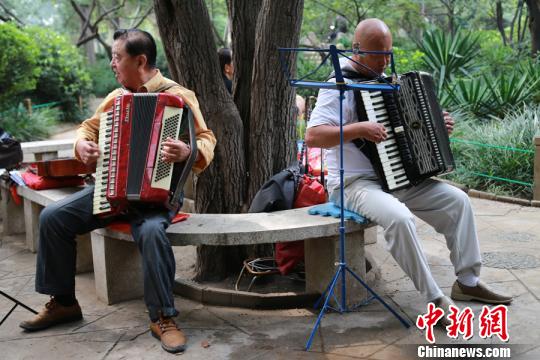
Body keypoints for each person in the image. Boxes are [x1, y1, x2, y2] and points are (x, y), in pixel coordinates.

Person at [19, 29, 217, 354]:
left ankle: (163, 317)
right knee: (54, 218)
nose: (112, 63)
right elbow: (89, 127)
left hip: (158, 197)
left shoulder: (179, 96)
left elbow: (206, 137)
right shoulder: (116, 97)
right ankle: (65, 302)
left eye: (117, 56)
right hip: (111, 191)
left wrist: (188, 151)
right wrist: (81, 144)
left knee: (152, 233)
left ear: (140, 61)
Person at [305, 18, 512, 324]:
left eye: (387, 54)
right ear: (356, 50)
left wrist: (438, 126)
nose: (383, 61)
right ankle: (435, 299)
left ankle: (467, 283)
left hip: (396, 178)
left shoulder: (390, 83)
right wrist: (358, 129)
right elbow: (313, 136)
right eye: (377, 54)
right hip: (354, 184)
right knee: (400, 219)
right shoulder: (339, 86)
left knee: (457, 201)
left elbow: (412, 132)